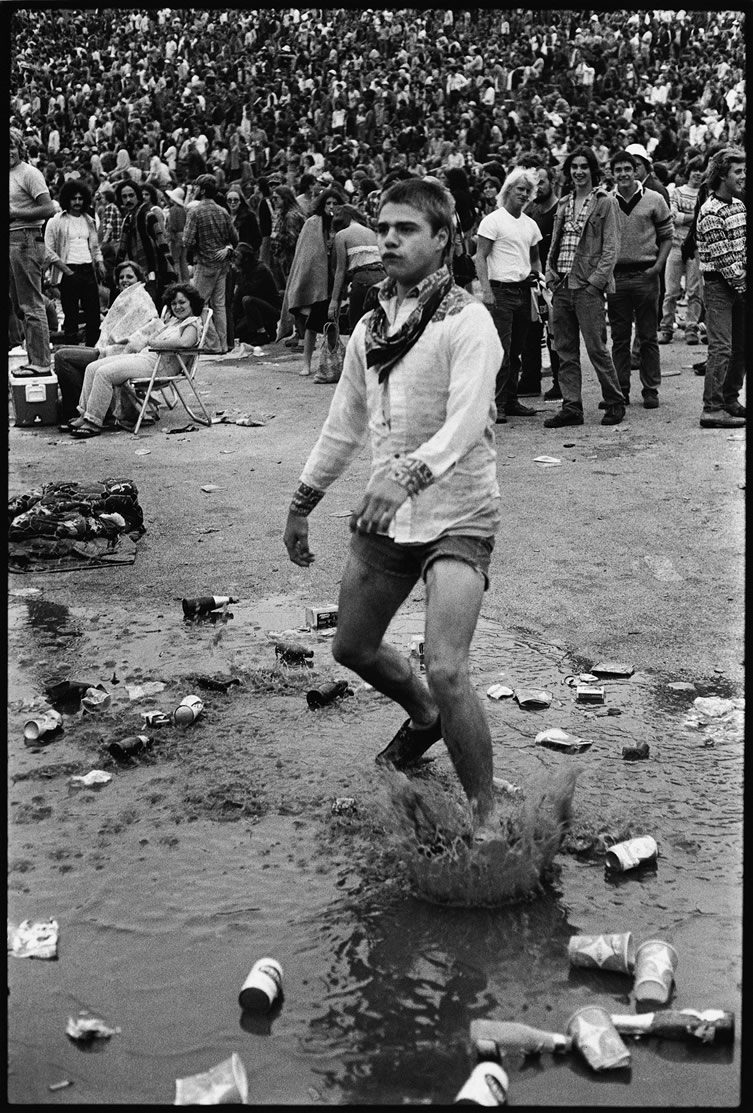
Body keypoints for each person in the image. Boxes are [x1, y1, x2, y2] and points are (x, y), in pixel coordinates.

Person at [282, 178, 504, 834]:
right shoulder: (369, 328)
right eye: (383, 226)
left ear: (443, 239)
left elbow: (466, 423)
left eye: (406, 228)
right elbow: (342, 422)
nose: (389, 238)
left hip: (460, 512)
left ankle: (486, 817)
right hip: (390, 517)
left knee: (445, 663)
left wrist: (405, 475)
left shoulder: (469, 321)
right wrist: (302, 502)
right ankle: (423, 716)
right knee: (351, 647)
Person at [543, 146, 626, 427]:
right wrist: (550, 273)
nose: (578, 172)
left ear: (593, 170)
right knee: (564, 349)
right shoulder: (564, 203)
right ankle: (571, 407)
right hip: (562, 284)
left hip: (586, 286)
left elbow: (611, 248)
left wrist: (595, 283)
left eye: (584, 167)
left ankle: (614, 402)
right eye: (574, 167)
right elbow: (555, 242)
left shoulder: (605, 202)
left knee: (596, 348)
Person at [68, 281, 204, 438]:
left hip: (158, 366)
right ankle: (84, 414)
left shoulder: (192, 322)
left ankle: (93, 421)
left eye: (182, 302)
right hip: (145, 357)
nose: (177, 307)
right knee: (92, 367)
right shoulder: (173, 321)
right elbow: (151, 337)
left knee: (104, 373)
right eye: (174, 303)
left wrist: (156, 343)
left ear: (192, 302)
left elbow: (184, 342)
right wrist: (154, 339)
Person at [54, 259, 160, 429]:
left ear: (138, 279)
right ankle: (85, 410)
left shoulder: (140, 297)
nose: (124, 280)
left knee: (62, 357)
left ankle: (78, 412)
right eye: (121, 277)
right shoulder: (124, 297)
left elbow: (151, 326)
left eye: (129, 277)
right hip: (106, 349)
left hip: (119, 352)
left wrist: (122, 341)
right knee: (64, 354)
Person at [474, 167, 543, 423]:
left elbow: (535, 259)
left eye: (528, 191)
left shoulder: (530, 225)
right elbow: (480, 257)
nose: (524, 194)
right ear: (508, 190)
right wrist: (486, 291)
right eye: (519, 189)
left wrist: (539, 282)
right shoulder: (493, 220)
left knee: (517, 350)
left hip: (524, 291)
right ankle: (497, 403)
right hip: (500, 292)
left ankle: (510, 400)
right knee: (500, 350)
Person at [606, 150, 673, 410]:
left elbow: (667, 236)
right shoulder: (607, 200)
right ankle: (620, 389)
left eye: (628, 169)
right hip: (617, 277)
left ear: (636, 171)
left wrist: (657, 267)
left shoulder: (654, 199)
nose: (623, 174)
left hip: (646, 274)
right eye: (618, 169)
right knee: (620, 338)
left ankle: (650, 390)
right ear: (612, 173)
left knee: (648, 336)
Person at [695, 147, 746, 428]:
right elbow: (724, 258)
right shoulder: (710, 211)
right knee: (721, 348)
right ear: (722, 175)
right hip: (719, 287)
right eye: (737, 171)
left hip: (739, 286)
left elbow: (743, 249)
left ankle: (730, 398)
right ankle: (711, 408)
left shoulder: (739, 206)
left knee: (740, 346)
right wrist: (742, 283)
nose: (743, 176)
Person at [278, 187, 342, 377]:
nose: (331, 207)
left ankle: (334, 362)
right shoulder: (313, 223)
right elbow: (306, 255)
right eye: (328, 203)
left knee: (333, 324)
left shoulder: (342, 223)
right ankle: (306, 363)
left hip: (335, 279)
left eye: (334, 203)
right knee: (313, 324)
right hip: (317, 280)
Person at [9, 126, 55, 375]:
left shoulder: (29, 173)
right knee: (18, 305)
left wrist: (16, 214)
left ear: (20, 148)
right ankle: (35, 355)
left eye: (11, 147)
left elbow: (49, 208)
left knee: (30, 304)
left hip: (26, 238)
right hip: (12, 240)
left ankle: (40, 362)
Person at [43, 179, 105, 348]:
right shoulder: (56, 221)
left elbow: (95, 246)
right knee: (71, 315)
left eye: (80, 198)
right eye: (73, 199)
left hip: (88, 270)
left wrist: (99, 263)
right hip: (68, 271)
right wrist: (66, 270)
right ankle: (70, 352)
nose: (77, 202)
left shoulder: (89, 220)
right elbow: (48, 251)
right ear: (67, 200)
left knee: (93, 315)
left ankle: (92, 350)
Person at [519, 165, 561, 400]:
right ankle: (530, 379)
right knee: (530, 332)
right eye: (535, 182)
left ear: (552, 182)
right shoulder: (531, 211)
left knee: (555, 334)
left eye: (542, 181)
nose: (538, 186)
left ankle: (559, 382)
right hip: (532, 279)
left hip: (553, 279)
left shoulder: (558, 209)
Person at [182, 173, 238, 353]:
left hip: (205, 264)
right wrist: (225, 248)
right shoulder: (223, 211)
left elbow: (187, 241)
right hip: (222, 264)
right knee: (219, 306)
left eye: (197, 187)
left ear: (203, 190)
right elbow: (234, 238)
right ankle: (222, 344)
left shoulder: (195, 212)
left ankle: (212, 343)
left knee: (199, 304)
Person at [659, 157, 704, 345]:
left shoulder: (705, 193)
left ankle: (691, 328)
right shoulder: (676, 192)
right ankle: (666, 327)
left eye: (701, 170)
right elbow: (673, 216)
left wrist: (687, 218)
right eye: (694, 169)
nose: (697, 173)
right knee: (671, 291)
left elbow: (704, 218)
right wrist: (695, 217)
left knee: (694, 290)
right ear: (688, 171)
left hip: (696, 247)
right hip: (676, 245)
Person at [114, 178, 176, 307]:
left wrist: (170, 269)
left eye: (131, 195)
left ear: (138, 196)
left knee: (151, 306)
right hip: (137, 272)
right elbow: (122, 247)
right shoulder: (128, 219)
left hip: (153, 270)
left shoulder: (148, 215)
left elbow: (162, 242)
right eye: (124, 197)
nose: (128, 200)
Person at [328, 203, 386, 331]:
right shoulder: (371, 232)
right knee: (378, 326)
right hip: (382, 277)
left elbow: (340, 270)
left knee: (357, 327)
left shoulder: (342, 235)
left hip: (362, 279)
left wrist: (334, 300)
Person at [225, 186, 262, 348]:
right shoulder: (225, 216)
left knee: (241, 291)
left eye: (236, 200)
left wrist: (247, 253)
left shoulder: (248, 216)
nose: (233, 203)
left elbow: (257, 238)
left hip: (243, 259)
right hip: (229, 259)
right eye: (230, 200)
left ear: (241, 201)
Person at [231, 242, 281, 346]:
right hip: (256, 310)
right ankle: (259, 333)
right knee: (237, 332)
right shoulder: (245, 270)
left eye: (237, 257)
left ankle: (262, 333)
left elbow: (247, 291)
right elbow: (236, 302)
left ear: (246, 259)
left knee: (247, 300)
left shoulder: (260, 269)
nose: (235, 260)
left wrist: (238, 275)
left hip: (271, 310)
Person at [270, 185, 306, 287]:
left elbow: (292, 240)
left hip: (290, 260)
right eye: (273, 198)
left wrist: (276, 236)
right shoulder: (284, 213)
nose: (274, 201)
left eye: (276, 198)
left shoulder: (291, 216)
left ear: (284, 198)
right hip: (284, 258)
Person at [164, 186, 189, 281]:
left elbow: (172, 225)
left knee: (175, 261)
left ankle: (178, 281)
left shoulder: (173, 209)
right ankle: (186, 281)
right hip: (184, 235)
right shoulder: (183, 209)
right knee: (183, 260)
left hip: (176, 236)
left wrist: (170, 237)